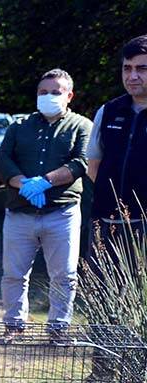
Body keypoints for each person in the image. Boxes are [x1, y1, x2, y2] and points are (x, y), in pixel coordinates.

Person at [0, 69, 92, 341]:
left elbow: (81, 162)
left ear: (69, 95)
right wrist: (23, 183)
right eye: (43, 92)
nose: (48, 96)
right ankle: (13, 326)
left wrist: (46, 181)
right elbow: (3, 160)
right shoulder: (19, 125)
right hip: (20, 211)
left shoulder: (81, 125)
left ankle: (58, 329)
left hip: (61, 213)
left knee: (64, 275)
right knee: (14, 274)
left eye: (56, 92)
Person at [86, 34, 147, 271]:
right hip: (107, 222)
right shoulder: (109, 111)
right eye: (127, 68)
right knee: (105, 297)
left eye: (142, 69)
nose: (132, 76)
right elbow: (93, 167)